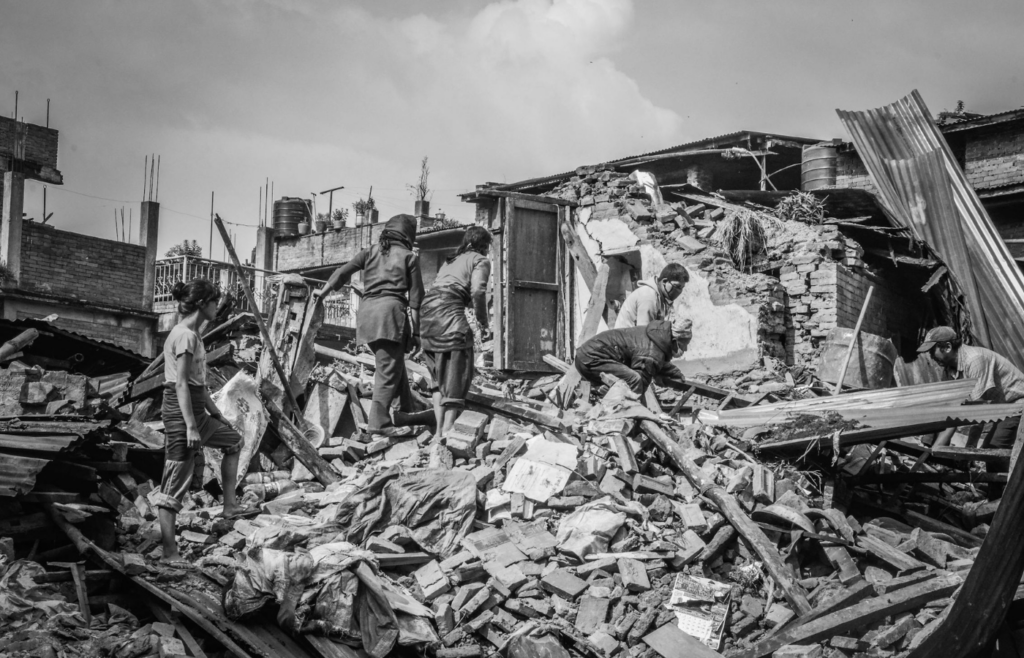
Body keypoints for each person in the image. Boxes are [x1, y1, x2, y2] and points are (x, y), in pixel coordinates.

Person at [152, 278, 244, 563]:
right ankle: (169, 552)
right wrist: (191, 426)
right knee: (174, 483)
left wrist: (216, 414)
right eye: (215, 302)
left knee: (234, 441)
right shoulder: (185, 336)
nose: (217, 307)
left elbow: (197, 384)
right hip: (181, 415)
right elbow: (180, 384)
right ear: (203, 304)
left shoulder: (194, 335)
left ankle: (230, 506)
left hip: (197, 411)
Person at [314, 214, 424, 434]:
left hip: (366, 316)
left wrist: (322, 293)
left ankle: (405, 412)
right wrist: (417, 334)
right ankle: (379, 423)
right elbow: (416, 301)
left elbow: (342, 272)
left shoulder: (370, 252)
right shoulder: (409, 257)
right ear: (408, 237)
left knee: (393, 364)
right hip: (390, 317)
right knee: (387, 370)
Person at [420, 226, 493, 438]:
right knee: (458, 368)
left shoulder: (450, 261)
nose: (488, 252)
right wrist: (483, 323)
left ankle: (437, 433)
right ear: (483, 245)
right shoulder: (480, 260)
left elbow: (448, 287)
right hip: (448, 314)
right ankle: (448, 429)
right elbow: (478, 290)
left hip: (427, 316)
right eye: (487, 247)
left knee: (438, 379)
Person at [919, 326, 1024, 451]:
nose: (931, 356)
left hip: (1016, 403)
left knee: (994, 448)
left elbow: (979, 410)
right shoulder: (950, 369)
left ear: (947, 347)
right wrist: (934, 448)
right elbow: (950, 410)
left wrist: (970, 449)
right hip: (1001, 406)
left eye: (932, 351)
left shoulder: (974, 360)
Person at [574, 315, 692, 395]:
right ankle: (627, 420)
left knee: (623, 388)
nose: (685, 349)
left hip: (586, 356)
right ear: (675, 340)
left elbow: (660, 362)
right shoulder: (651, 352)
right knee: (634, 380)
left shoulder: (656, 336)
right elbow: (640, 385)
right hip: (591, 359)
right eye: (683, 345)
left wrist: (675, 373)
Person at [615, 263, 689, 329]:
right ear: (664, 282)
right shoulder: (649, 297)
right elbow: (643, 334)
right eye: (677, 286)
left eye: (682, 288)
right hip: (626, 341)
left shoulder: (660, 297)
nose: (679, 291)